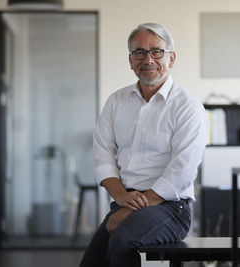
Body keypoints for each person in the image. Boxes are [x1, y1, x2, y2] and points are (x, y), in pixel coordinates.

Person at [79, 22, 208, 267]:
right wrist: (120, 197)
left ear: (171, 58)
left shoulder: (188, 107)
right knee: (90, 263)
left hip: (170, 208)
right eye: (139, 52)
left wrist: (128, 211)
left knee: (123, 240)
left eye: (156, 51)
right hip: (124, 200)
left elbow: (182, 170)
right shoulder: (116, 102)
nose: (148, 59)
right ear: (130, 61)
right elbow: (103, 154)